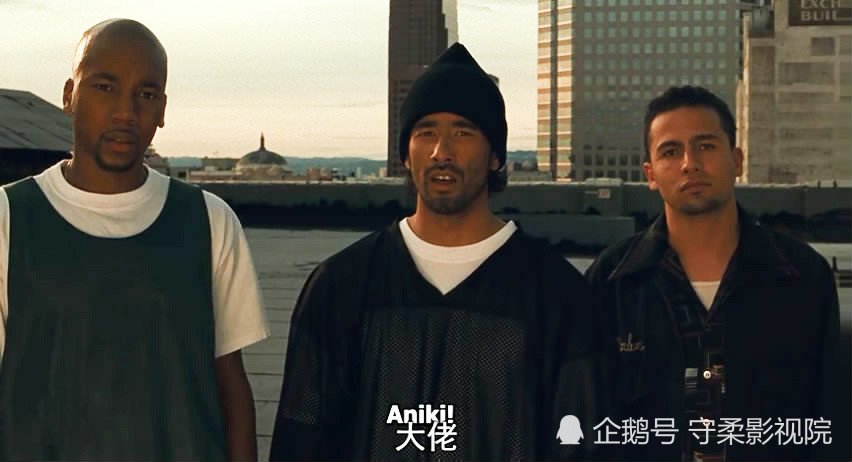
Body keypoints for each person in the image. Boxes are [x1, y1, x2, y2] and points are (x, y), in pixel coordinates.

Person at [269, 43, 601, 461]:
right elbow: (302, 436)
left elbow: (578, 441)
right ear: (406, 155)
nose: (441, 151)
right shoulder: (342, 284)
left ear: (495, 156)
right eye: (425, 132)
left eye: (463, 132)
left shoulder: (556, 294)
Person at [0, 19, 269, 460]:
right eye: (104, 87)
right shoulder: (8, 217)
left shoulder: (210, 220)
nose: (125, 112)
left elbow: (231, 387)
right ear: (69, 95)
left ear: (162, 110)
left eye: (145, 94)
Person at [585, 86, 843, 461]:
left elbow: (829, 419)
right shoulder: (612, 281)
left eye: (705, 146)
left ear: (737, 161)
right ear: (650, 174)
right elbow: (586, 423)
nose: (689, 163)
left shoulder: (802, 276)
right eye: (670, 152)